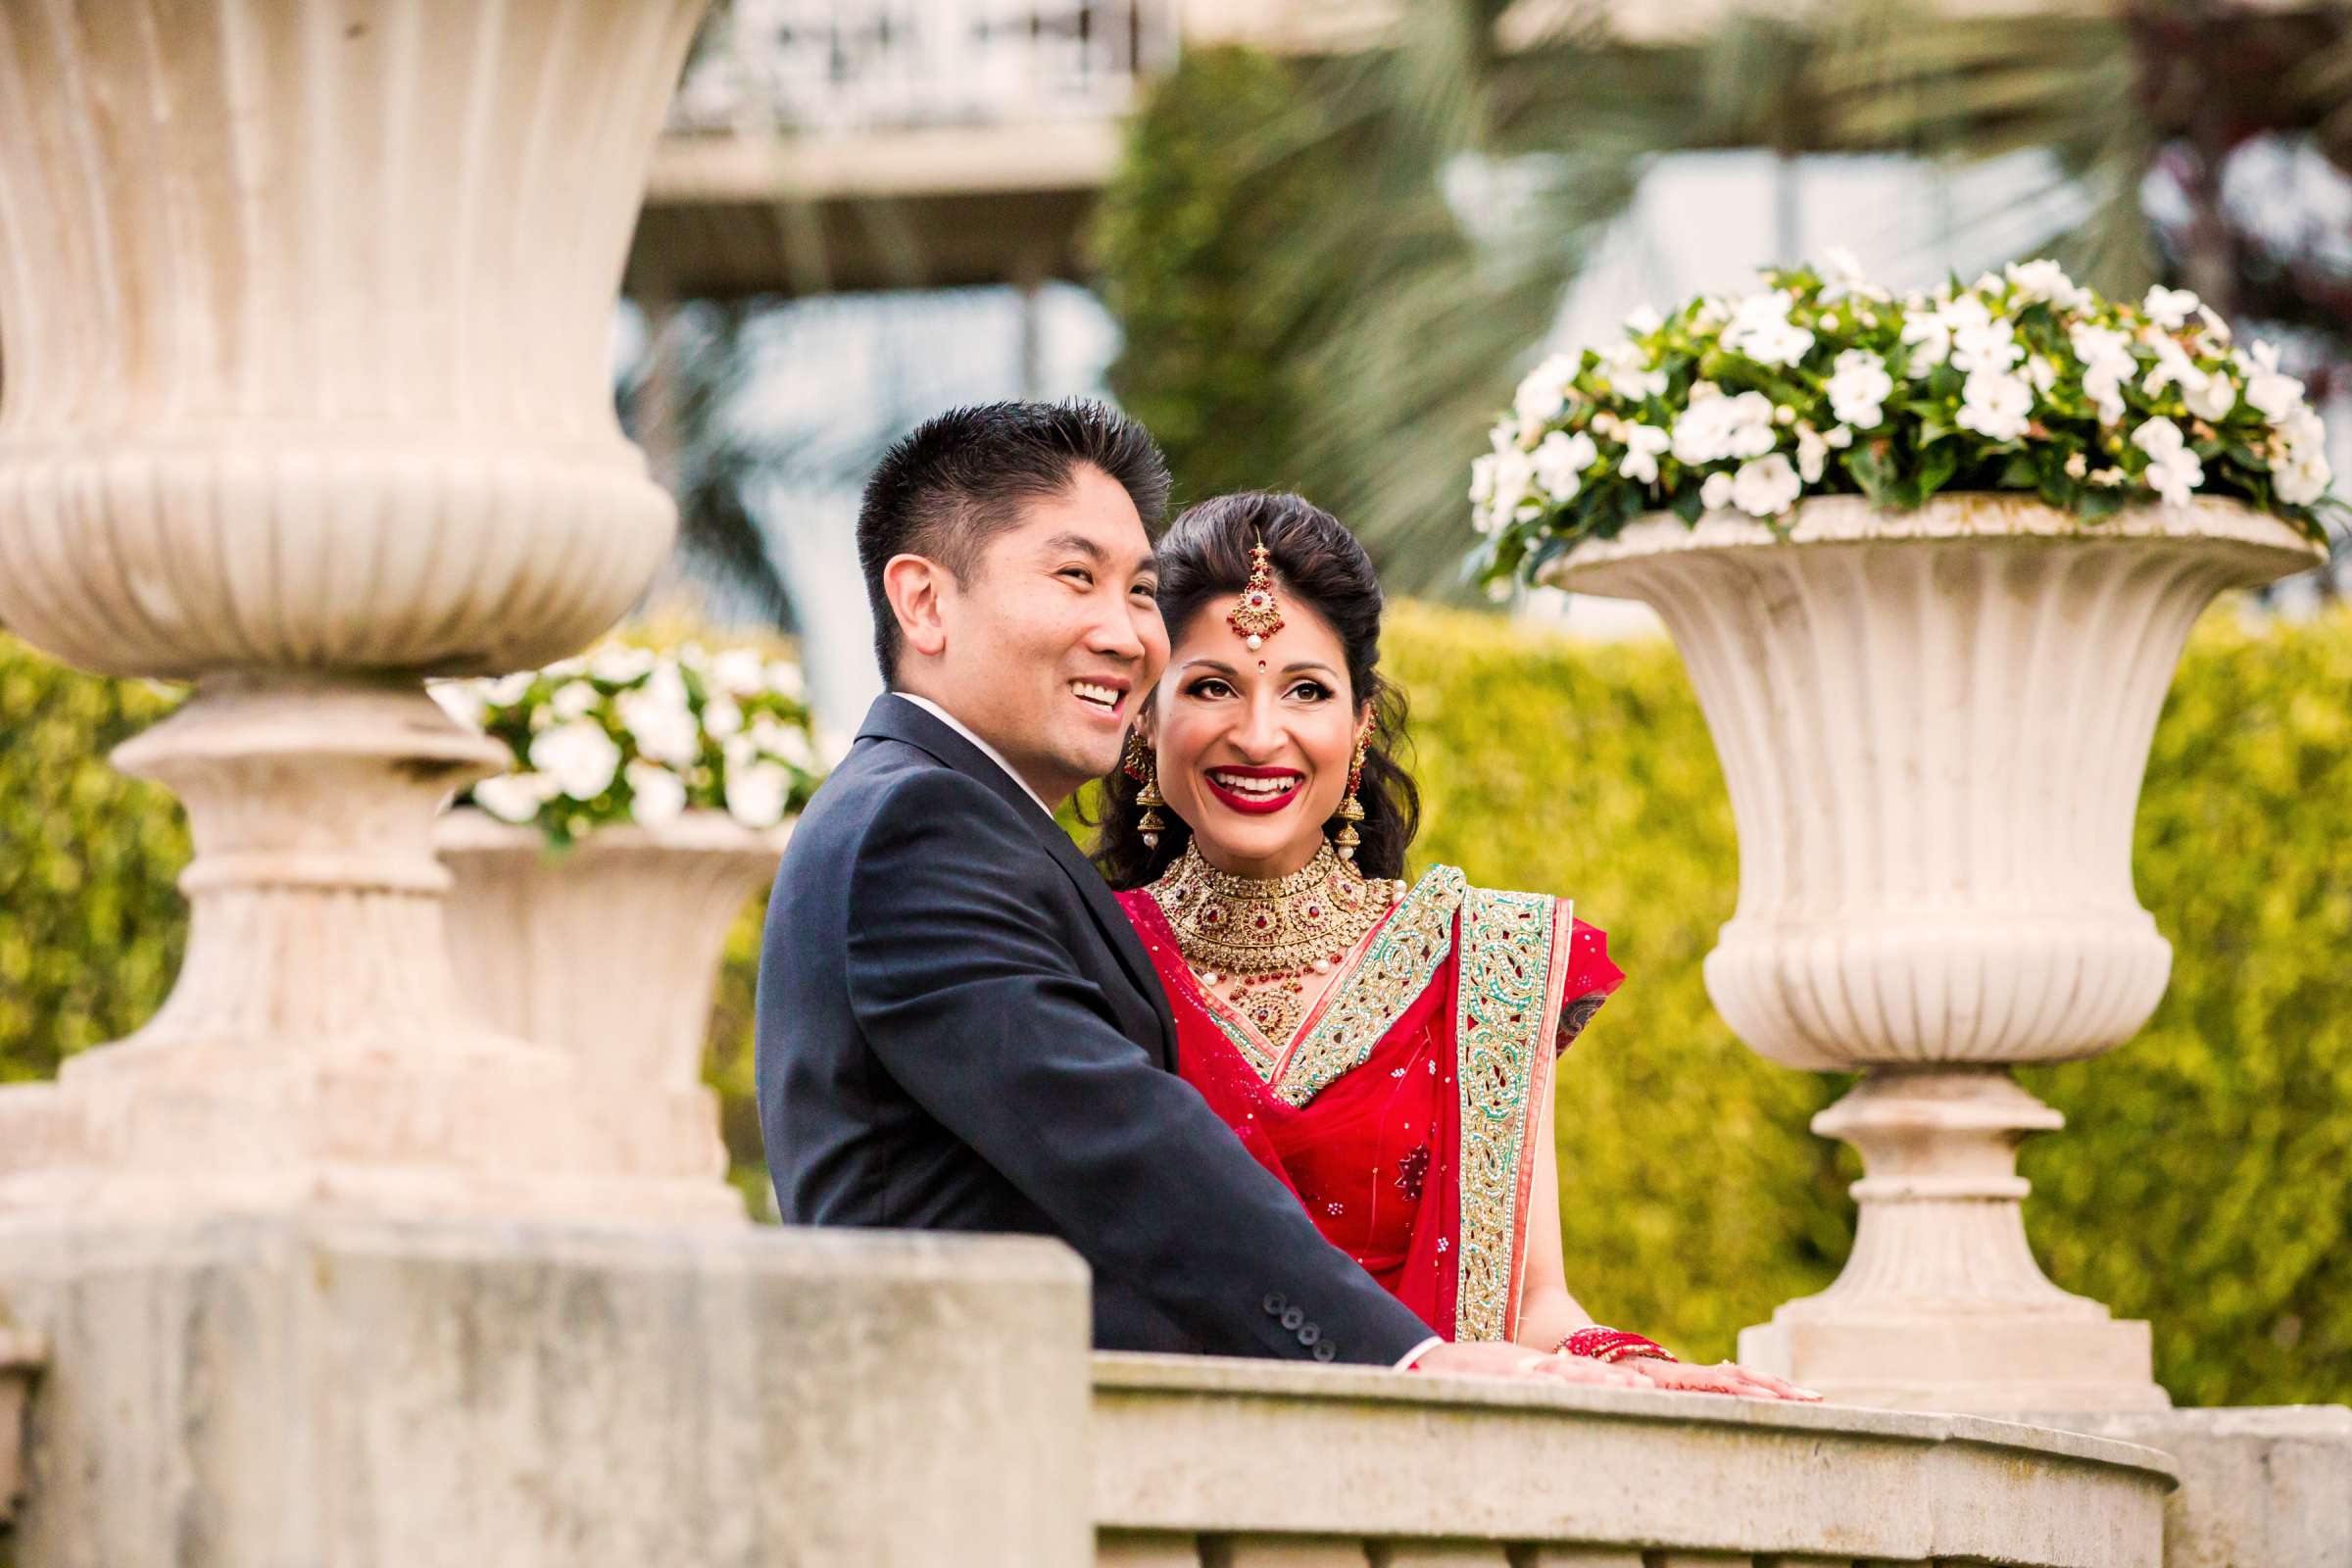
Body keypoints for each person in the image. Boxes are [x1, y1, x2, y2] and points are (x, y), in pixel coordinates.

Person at [755, 400, 1631, 1380]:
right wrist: (1407, 1357)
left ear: (1364, 721)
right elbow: (1123, 1145)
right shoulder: (918, 830)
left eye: (1136, 589)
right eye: (1075, 576)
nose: (1125, 632)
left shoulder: (957, 824)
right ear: (923, 601)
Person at [1093, 490, 1812, 1397]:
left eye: (1306, 690)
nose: (1260, 734)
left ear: (1358, 728)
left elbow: (1532, 1302)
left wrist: (1637, 1369)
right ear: (1146, 722)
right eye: (1211, 687)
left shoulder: (1488, 964)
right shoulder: (1080, 955)